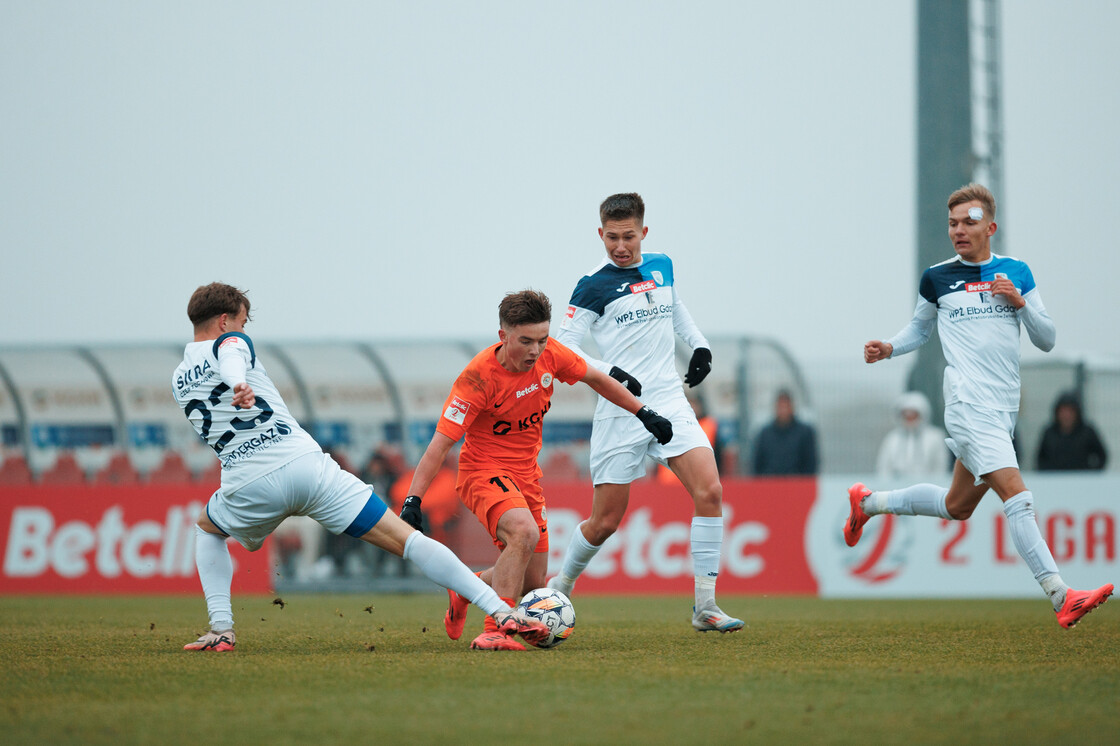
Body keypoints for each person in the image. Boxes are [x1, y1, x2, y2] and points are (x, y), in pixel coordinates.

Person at [173, 282, 549, 651]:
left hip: (248, 484)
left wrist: (235, 383)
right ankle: (501, 611)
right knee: (410, 541)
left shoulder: (178, 378)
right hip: (307, 468)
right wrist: (238, 382)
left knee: (208, 530)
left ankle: (222, 630)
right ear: (224, 322)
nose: (242, 330)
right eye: (241, 322)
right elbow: (232, 355)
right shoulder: (231, 343)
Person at [846, 183, 1112, 628]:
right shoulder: (937, 277)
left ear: (990, 226)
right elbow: (919, 329)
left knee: (958, 506)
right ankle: (1061, 595)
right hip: (968, 404)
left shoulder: (1016, 272)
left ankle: (868, 503)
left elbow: (1047, 339)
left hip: (1003, 409)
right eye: (952, 223)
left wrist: (1019, 303)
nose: (958, 231)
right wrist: (889, 348)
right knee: (1017, 495)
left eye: (968, 222)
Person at [398, 288, 673, 651]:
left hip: (527, 476)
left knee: (532, 584)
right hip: (482, 472)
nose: (535, 350)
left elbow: (597, 378)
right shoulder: (477, 379)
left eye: (542, 340)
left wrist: (643, 413)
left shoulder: (550, 355)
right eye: (525, 341)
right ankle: (495, 629)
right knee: (523, 533)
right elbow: (441, 443)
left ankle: (465, 588)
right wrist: (413, 499)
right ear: (503, 336)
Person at [546, 192, 743, 633]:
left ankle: (705, 606)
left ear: (644, 233)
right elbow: (563, 348)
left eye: (628, 236)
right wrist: (610, 372)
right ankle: (561, 584)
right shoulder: (592, 285)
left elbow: (676, 309)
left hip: (670, 400)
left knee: (710, 491)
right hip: (620, 410)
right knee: (604, 523)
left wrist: (701, 345)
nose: (620, 246)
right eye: (611, 237)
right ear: (600, 234)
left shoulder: (662, 265)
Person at [875, 391, 951, 478]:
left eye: (913, 415)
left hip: (928, 488)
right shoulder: (892, 438)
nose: (909, 419)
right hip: (897, 489)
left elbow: (940, 468)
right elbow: (883, 468)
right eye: (906, 415)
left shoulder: (935, 437)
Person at [751, 389, 818, 476]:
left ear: (792, 407)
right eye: (780, 406)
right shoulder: (765, 434)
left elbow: (811, 463)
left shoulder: (805, 433)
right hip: (770, 485)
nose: (783, 410)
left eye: (786, 406)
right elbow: (757, 464)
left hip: (797, 486)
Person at [1037, 391, 1108, 471]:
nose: (1066, 415)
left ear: (1077, 413)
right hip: (1056, 480)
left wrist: (1091, 472)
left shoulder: (1087, 432)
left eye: (1070, 411)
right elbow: (1040, 459)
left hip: (1082, 479)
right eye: (1063, 411)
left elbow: (1102, 456)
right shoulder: (1049, 433)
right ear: (1057, 412)